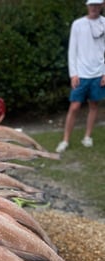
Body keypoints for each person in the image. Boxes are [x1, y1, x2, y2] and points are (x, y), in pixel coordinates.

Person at [56, 0, 105, 153]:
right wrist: (73, 74)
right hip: (81, 74)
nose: (94, 8)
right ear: (87, 6)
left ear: (101, 6)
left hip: (99, 72)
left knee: (94, 105)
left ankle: (87, 136)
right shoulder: (77, 24)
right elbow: (72, 50)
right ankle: (65, 140)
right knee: (75, 106)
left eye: (97, 5)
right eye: (92, 5)